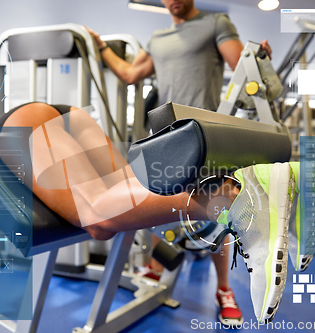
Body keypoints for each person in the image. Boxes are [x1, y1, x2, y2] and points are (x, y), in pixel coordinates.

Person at [0, 84, 296, 323]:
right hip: (66, 115)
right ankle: (248, 193)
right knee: (125, 191)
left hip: (24, 126)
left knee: (96, 214)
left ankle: (240, 192)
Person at [86, 0, 272, 326]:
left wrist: (259, 63)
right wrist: (100, 46)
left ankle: (224, 289)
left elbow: (241, 66)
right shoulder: (157, 38)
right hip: (165, 134)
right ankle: (157, 270)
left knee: (215, 211)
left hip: (204, 134)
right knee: (158, 202)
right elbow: (130, 74)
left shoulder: (217, 23)